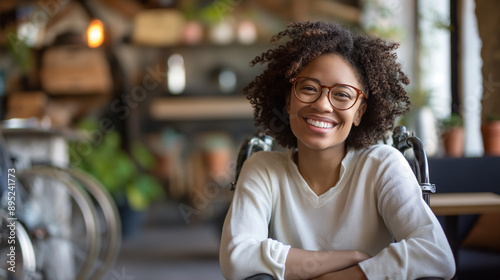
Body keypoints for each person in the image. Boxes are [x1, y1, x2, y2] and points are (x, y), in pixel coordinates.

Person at [219, 21, 455, 280]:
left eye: (342, 94)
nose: (322, 104)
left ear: (360, 112)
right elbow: (236, 259)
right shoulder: (263, 169)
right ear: (288, 100)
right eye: (308, 88)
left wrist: (339, 276)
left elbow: (437, 255)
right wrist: (348, 258)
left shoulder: (382, 165)